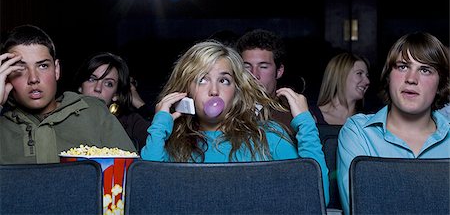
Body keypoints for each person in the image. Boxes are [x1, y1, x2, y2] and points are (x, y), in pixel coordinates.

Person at [140, 40, 330, 205]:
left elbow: (317, 195)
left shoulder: (270, 136)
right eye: (202, 80)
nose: (214, 90)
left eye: (224, 80)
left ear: (236, 93)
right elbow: (147, 197)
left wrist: (305, 125)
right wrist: (159, 127)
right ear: (186, 92)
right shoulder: (172, 144)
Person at [337, 31, 450, 215]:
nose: (411, 79)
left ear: (441, 83)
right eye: (403, 67)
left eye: (425, 70)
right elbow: (361, 208)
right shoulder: (359, 132)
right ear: (389, 76)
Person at [0, 24, 136, 164]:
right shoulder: (3, 127)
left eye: (43, 66)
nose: (33, 79)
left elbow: (132, 174)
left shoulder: (94, 113)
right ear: (6, 76)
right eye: (20, 68)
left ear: (56, 70)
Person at [74, 52, 151, 152]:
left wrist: (140, 104)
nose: (98, 88)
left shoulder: (130, 123)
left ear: (116, 94)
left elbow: (160, 149)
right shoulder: (64, 116)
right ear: (81, 86)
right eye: (91, 79)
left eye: (108, 84)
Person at [235, 29, 297, 128]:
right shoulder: (228, 109)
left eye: (263, 67)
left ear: (279, 71)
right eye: (247, 67)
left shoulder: (293, 113)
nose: (254, 75)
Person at [310, 52, 370, 125]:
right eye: (359, 73)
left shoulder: (367, 121)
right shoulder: (311, 117)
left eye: (367, 76)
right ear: (341, 76)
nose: (367, 81)